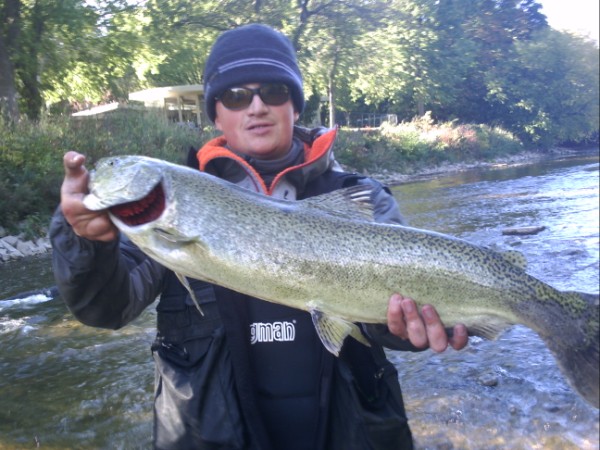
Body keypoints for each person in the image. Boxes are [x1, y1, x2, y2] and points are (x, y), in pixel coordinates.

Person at [51, 24, 468, 450]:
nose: (256, 107)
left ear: (295, 106)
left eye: (273, 92)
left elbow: (396, 313)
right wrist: (86, 243)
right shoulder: (174, 205)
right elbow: (107, 308)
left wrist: (408, 329)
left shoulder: (363, 198)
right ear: (216, 114)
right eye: (236, 96)